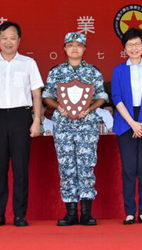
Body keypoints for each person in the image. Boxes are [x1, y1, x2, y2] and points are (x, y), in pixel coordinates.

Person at [0, 21, 43, 227]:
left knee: (21, 169)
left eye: (12, 38)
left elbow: (36, 94)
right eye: (4, 37)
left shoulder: (28, 63)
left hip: (21, 117)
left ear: (19, 40)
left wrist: (37, 121)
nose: (8, 42)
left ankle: (20, 215)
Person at [43, 32, 108, 226]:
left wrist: (90, 109)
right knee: (67, 167)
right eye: (70, 45)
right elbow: (46, 96)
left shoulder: (93, 72)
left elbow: (102, 96)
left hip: (86, 125)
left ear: (84, 49)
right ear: (64, 48)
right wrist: (58, 107)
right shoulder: (56, 72)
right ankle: (70, 212)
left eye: (78, 45)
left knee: (86, 166)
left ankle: (87, 212)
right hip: (63, 125)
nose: (74, 48)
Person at [111, 28, 142, 225]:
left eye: (137, 44)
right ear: (124, 48)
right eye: (129, 45)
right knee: (129, 169)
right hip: (126, 122)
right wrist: (132, 123)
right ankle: (130, 212)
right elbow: (116, 97)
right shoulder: (118, 70)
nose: (134, 48)